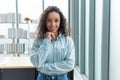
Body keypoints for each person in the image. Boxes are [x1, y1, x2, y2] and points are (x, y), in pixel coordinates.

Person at [30, 6, 75, 80]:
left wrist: (44, 67)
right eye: (49, 20)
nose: (53, 24)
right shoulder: (38, 41)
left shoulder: (68, 41)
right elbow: (36, 62)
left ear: (61, 22)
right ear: (45, 22)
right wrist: (46, 41)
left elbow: (70, 65)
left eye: (56, 20)